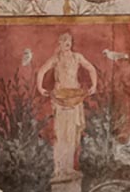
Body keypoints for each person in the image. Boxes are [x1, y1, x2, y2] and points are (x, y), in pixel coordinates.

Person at [37, 32, 97, 183]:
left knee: (72, 134)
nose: (67, 43)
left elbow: (91, 69)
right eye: (64, 40)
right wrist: (40, 88)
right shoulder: (56, 59)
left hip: (74, 98)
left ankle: (69, 167)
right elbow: (42, 71)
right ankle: (58, 169)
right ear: (59, 43)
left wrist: (94, 85)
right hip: (60, 99)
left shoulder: (77, 57)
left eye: (69, 40)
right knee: (60, 133)